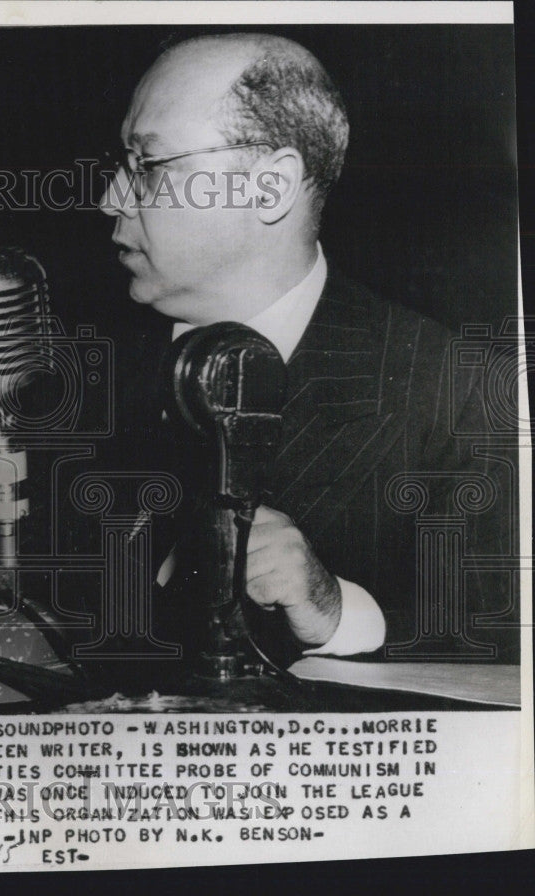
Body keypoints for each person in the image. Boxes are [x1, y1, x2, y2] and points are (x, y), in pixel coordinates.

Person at [96, 33, 517, 662]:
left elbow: (502, 640)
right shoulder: (78, 370)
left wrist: (335, 611)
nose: (110, 198)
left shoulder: (453, 390)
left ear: (271, 188)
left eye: (148, 165)